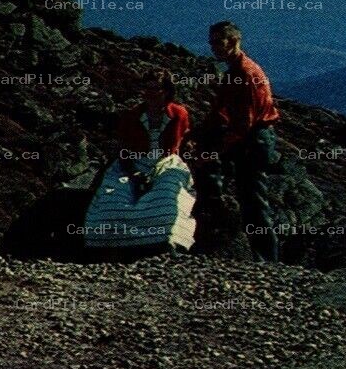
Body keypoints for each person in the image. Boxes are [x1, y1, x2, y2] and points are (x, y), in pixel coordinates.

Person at [81, 70, 197, 255]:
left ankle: (166, 241)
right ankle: (108, 244)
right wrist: (133, 172)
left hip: (166, 162)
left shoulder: (178, 114)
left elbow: (180, 144)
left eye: (155, 88)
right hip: (133, 162)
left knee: (169, 198)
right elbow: (124, 148)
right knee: (114, 198)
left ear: (166, 91)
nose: (150, 93)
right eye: (147, 88)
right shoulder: (131, 115)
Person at [206, 21, 282, 262]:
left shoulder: (244, 74)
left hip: (253, 141)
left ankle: (268, 260)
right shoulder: (236, 71)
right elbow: (223, 112)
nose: (213, 47)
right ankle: (262, 257)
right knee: (250, 200)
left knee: (255, 203)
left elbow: (242, 124)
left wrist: (218, 147)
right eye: (212, 42)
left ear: (234, 41)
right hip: (251, 139)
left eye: (219, 42)